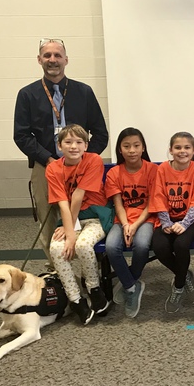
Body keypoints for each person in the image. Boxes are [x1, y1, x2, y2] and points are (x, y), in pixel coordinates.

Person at [14, 38, 108, 263]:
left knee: (84, 220)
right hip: (45, 167)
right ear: (39, 60)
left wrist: (84, 160)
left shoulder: (83, 92)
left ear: (66, 59)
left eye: (57, 55)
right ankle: (60, 275)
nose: (52, 60)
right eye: (47, 55)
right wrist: (48, 160)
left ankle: (88, 273)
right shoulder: (27, 94)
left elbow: (100, 133)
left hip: (81, 170)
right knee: (48, 225)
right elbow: (21, 135)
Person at [45, 124, 111, 325]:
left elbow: (78, 196)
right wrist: (69, 230)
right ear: (59, 145)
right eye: (68, 142)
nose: (73, 146)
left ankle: (94, 288)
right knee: (56, 248)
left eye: (79, 142)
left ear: (86, 145)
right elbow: (63, 203)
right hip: (71, 218)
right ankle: (75, 298)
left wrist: (72, 233)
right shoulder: (53, 168)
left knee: (83, 245)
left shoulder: (94, 160)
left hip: (96, 216)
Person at [150, 132, 194, 313]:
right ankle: (184, 275)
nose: (182, 151)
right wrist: (166, 223)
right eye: (178, 147)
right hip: (166, 219)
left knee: (182, 244)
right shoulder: (162, 169)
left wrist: (184, 223)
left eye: (187, 148)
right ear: (170, 150)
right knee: (159, 247)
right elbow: (158, 196)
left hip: (189, 220)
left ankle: (178, 286)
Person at [104, 128, 157, 318]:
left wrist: (135, 226)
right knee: (111, 247)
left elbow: (152, 204)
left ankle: (129, 281)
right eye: (126, 146)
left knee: (142, 245)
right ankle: (132, 286)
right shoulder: (114, 173)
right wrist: (126, 224)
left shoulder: (152, 170)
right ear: (120, 149)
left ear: (143, 148)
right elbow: (118, 204)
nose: (132, 150)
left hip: (146, 218)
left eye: (136, 145)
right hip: (123, 219)